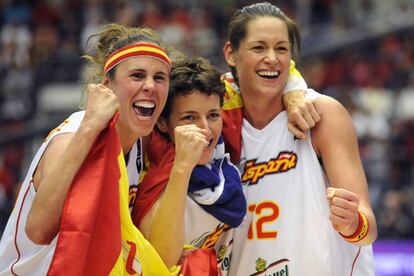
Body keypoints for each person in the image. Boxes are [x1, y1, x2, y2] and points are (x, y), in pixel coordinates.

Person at [0, 23, 178, 275]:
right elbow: (38, 230)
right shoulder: (73, 136)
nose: (150, 85)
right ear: (107, 86)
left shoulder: (139, 142)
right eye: (137, 75)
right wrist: (89, 128)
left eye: (160, 77)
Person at [220, 2, 377, 276]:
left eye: (281, 49)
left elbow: (368, 227)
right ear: (231, 53)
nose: (272, 58)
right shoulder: (215, 119)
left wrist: (353, 223)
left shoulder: (322, 114)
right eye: (259, 48)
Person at [132, 55, 245, 272]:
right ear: (163, 123)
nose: (205, 129)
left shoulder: (224, 153)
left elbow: (265, 79)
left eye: (212, 115)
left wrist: (294, 93)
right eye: (189, 118)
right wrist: (182, 167)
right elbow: (162, 261)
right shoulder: (155, 175)